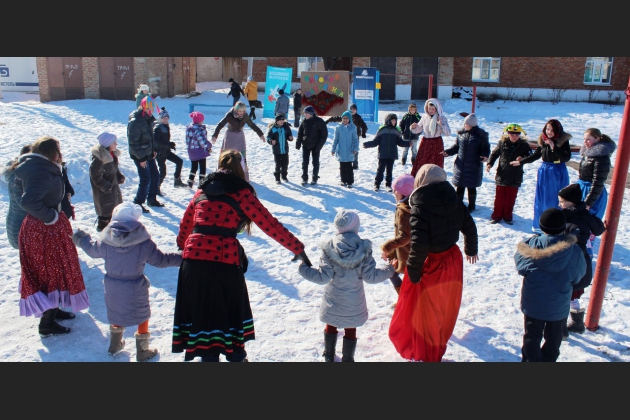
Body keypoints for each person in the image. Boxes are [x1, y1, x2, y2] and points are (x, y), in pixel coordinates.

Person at [172, 149, 310, 362]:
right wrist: (297, 248)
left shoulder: (201, 192)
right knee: (229, 315)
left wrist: (183, 245)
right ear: (241, 169)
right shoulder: (241, 193)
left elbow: (186, 225)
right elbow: (269, 224)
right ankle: (237, 358)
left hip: (193, 261)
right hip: (223, 261)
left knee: (203, 318)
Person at [389, 164, 478, 362]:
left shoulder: (419, 208)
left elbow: (419, 245)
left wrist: (413, 272)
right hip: (452, 261)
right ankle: (437, 338)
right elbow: (469, 226)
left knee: (426, 309)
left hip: (431, 263)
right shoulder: (454, 198)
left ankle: (426, 350)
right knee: (444, 304)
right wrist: (471, 249)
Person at [72, 202, 182, 361]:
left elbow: (91, 250)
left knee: (116, 311)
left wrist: (82, 238)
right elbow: (161, 260)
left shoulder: (105, 240)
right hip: (135, 286)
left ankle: (115, 344)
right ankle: (142, 350)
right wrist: (183, 257)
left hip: (112, 285)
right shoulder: (143, 242)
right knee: (142, 314)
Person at [14, 135, 89, 337]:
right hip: (44, 229)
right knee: (50, 271)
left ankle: (54, 309)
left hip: (49, 227)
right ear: (50, 152)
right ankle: (47, 323)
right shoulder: (42, 171)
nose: (60, 152)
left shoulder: (43, 167)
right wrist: (50, 217)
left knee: (58, 268)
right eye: (57, 148)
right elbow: (28, 201)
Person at [297, 210, 396, 362]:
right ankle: (348, 359)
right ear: (356, 227)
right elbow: (371, 277)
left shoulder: (329, 247)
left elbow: (323, 277)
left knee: (331, 324)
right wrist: (389, 269)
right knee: (351, 327)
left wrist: (304, 268)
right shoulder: (363, 249)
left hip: (333, 299)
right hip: (354, 301)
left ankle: (329, 355)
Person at [514, 207, 586, 362]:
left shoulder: (529, 245)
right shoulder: (574, 251)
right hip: (558, 305)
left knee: (531, 336)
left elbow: (521, 268)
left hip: (533, 303)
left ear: (541, 227)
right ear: (563, 226)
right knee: (554, 338)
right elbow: (577, 276)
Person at [557, 183, 606, 338]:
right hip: (582, 262)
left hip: (570, 262)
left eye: (562, 202)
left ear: (571, 203)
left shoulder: (572, 219)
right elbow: (598, 228)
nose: (559, 205)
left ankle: (560, 329)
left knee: (564, 296)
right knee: (572, 295)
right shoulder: (585, 214)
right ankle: (577, 323)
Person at [513, 118, 572, 232]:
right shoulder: (543, 139)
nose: (549, 132)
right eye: (548, 129)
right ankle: (541, 225)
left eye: (552, 130)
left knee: (555, 199)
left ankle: (556, 225)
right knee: (542, 199)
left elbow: (566, 157)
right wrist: (521, 161)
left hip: (557, 171)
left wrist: (553, 146)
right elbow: (536, 155)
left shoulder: (563, 140)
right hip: (545, 171)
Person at [442, 113, 490, 212]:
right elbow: (456, 147)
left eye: (466, 124)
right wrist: (448, 152)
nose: (464, 125)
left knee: (471, 187)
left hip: (473, 165)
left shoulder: (480, 136)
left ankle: (471, 205)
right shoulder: (461, 134)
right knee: (460, 186)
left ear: (472, 125)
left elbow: (485, 148)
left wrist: (484, 156)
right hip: (461, 165)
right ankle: (458, 204)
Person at [486, 123, 533, 225]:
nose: (514, 136)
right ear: (508, 133)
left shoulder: (524, 145)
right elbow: (494, 154)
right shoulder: (502, 143)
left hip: (515, 176)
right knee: (499, 199)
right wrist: (490, 164)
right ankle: (496, 216)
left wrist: (523, 159)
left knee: (510, 199)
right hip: (502, 175)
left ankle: (508, 217)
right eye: (512, 134)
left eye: (517, 134)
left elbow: (530, 156)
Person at [380, 173, 415, 308]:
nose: (394, 193)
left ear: (404, 192)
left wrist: (387, 247)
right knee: (396, 274)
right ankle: (405, 299)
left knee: (394, 273)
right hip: (404, 250)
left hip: (407, 253)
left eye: (396, 190)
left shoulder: (405, 210)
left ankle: (406, 301)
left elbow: (405, 236)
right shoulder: (409, 204)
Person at [211, 101, 265, 182]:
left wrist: (260, 134)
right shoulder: (230, 115)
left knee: (241, 155)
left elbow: (252, 125)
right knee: (227, 154)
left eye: (243, 111)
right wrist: (215, 136)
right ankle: (222, 172)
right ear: (236, 110)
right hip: (230, 136)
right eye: (240, 111)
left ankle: (243, 175)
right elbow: (220, 125)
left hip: (240, 136)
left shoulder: (245, 116)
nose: (241, 113)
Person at [127, 95, 162, 212]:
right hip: (140, 155)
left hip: (149, 153)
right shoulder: (136, 122)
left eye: (152, 109)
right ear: (142, 107)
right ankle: (138, 202)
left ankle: (151, 199)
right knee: (146, 179)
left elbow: (150, 137)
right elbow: (133, 143)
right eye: (148, 109)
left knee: (155, 176)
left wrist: (154, 149)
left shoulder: (149, 119)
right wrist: (141, 158)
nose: (151, 111)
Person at [362, 113, 409, 192]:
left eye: (395, 120)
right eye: (392, 120)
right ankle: (377, 184)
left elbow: (400, 142)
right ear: (388, 120)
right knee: (380, 170)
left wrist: (407, 143)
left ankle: (388, 185)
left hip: (392, 154)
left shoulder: (396, 131)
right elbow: (376, 141)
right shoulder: (382, 130)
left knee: (389, 170)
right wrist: (368, 144)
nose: (394, 122)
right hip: (383, 153)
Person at [577, 127, 616, 220]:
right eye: (584, 139)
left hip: (593, 193)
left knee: (588, 221)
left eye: (588, 139)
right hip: (582, 189)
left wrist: (588, 203)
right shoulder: (587, 154)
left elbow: (598, 182)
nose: (585, 142)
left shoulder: (601, 158)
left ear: (597, 139)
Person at [89, 132, 125, 232]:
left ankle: (113, 232)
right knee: (106, 215)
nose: (116, 144)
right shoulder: (99, 158)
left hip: (113, 190)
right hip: (104, 193)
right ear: (108, 144)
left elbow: (114, 169)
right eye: (114, 142)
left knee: (115, 212)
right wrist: (106, 186)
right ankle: (104, 233)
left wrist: (119, 176)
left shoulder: (112, 154)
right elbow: (95, 176)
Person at [409, 98, 452, 177]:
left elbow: (448, 133)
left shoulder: (441, 118)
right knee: (422, 163)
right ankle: (421, 179)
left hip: (437, 143)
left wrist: (441, 124)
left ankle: (434, 180)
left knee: (435, 165)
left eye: (433, 109)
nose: (431, 111)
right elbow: (418, 129)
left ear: (436, 108)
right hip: (426, 143)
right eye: (429, 109)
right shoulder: (424, 117)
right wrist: (413, 127)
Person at [3, 143, 32, 249]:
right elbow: (24, 204)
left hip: (18, 224)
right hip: (19, 227)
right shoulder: (18, 178)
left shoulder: (19, 174)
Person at [153, 107, 186, 192]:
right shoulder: (157, 128)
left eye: (167, 118)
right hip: (160, 154)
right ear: (160, 118)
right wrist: (168, 144)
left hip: (166, 151)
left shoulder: (165, 126)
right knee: (163, 172)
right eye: (163, 118)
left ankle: (177, 180)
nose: (165, 120)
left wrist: (170, 145)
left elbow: (164, 140)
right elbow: (157, 141)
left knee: (179, 161)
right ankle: (156, 188)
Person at [325, 103, 368, 170]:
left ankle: (355, 164)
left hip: (355, 136)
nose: (352, 110)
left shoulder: (358, 117)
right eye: (351, 109)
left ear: (356, 110)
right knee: (344, 149)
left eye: (354, 109)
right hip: (345, 136)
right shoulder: (346, 116)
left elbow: (364, 125)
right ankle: (343, 162)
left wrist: (363, 133)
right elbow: (337, 118)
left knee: (355, 150)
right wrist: (328, 120)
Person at [296, 105, 328, 186]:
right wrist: (298, 142)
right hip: (306, 145)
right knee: (305, 162)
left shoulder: (319, 121)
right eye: (304, 113)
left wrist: (319, 145)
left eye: (306, 113)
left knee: (315, 162)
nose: (305, 114)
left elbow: (324, 135)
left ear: (311, 113)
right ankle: (304, 178)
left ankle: (315, 178)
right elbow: (300, 132)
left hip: (316, 146)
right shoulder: (304, 121)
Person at [331, 110, 359, 188]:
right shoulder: (338, 128)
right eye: (344, 118)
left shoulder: (353, 128)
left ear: (349, 119)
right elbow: (336, 139)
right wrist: (333, 149)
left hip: (350, 150)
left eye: (347, 118)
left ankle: (350, 182)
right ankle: (343, 180)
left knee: (349, 167)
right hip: (341, 150)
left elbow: (355, 139)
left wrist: (356, 148)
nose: (345, 120)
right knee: (342, 167)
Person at [185, 111, 212, 188]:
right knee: (202, 168)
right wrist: (209, 145)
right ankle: (201, 183)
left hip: (191, 151)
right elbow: (203, 142)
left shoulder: (189, 129)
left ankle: (190, 181)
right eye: (202, 120)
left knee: (194, 167)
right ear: (199, 121)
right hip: (200, 152)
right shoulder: (198, 130)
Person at [266, 113, 294, 184]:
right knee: (278, 165)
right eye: (280, 120)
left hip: (285, 150)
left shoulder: (286, 127)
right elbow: (268, 137)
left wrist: (290, 138)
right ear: (277, 121)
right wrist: (271, 141)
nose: (282, 121)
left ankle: (284, 176)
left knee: (285, 164)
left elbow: (289, 135)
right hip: (277, 151)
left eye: (283, 120)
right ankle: (277, 178)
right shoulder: (273, 129)